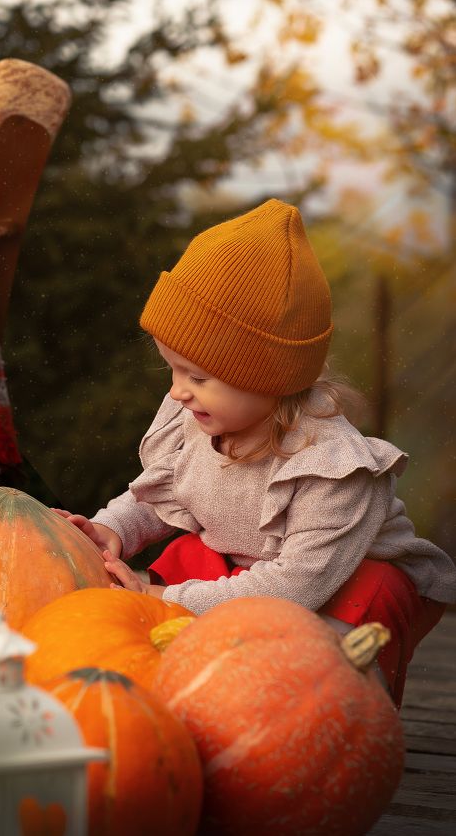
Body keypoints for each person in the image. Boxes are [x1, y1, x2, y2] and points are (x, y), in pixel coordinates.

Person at [55, 199, 456, 706]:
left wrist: (167, 599)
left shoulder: (333, 468)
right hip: (244, 569)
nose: (178, 391)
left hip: (328, 581)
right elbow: (164, 488)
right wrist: (114, 529)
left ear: (268, 377)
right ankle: (176, 696)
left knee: (371, 592)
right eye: (172, 370)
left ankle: (329, 713)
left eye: (197, 377)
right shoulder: (201, 418)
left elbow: (295, 587)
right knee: (188, 553)